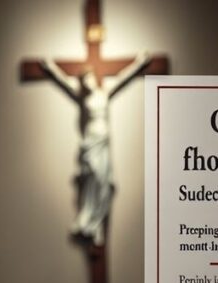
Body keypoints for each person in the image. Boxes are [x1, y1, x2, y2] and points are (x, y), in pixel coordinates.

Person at [39, 52, 150, 246]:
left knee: (105, 184)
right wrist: (50, 68)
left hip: (104, 143)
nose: (87, 82)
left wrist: (139, 64)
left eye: (89, 78)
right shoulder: (83, 98)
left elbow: (124, 78)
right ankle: (85, 222)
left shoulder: (104, 93)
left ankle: (96, 225)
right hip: (90, 144)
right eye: (84, 80)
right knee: (92, 182)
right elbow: (63, 82)